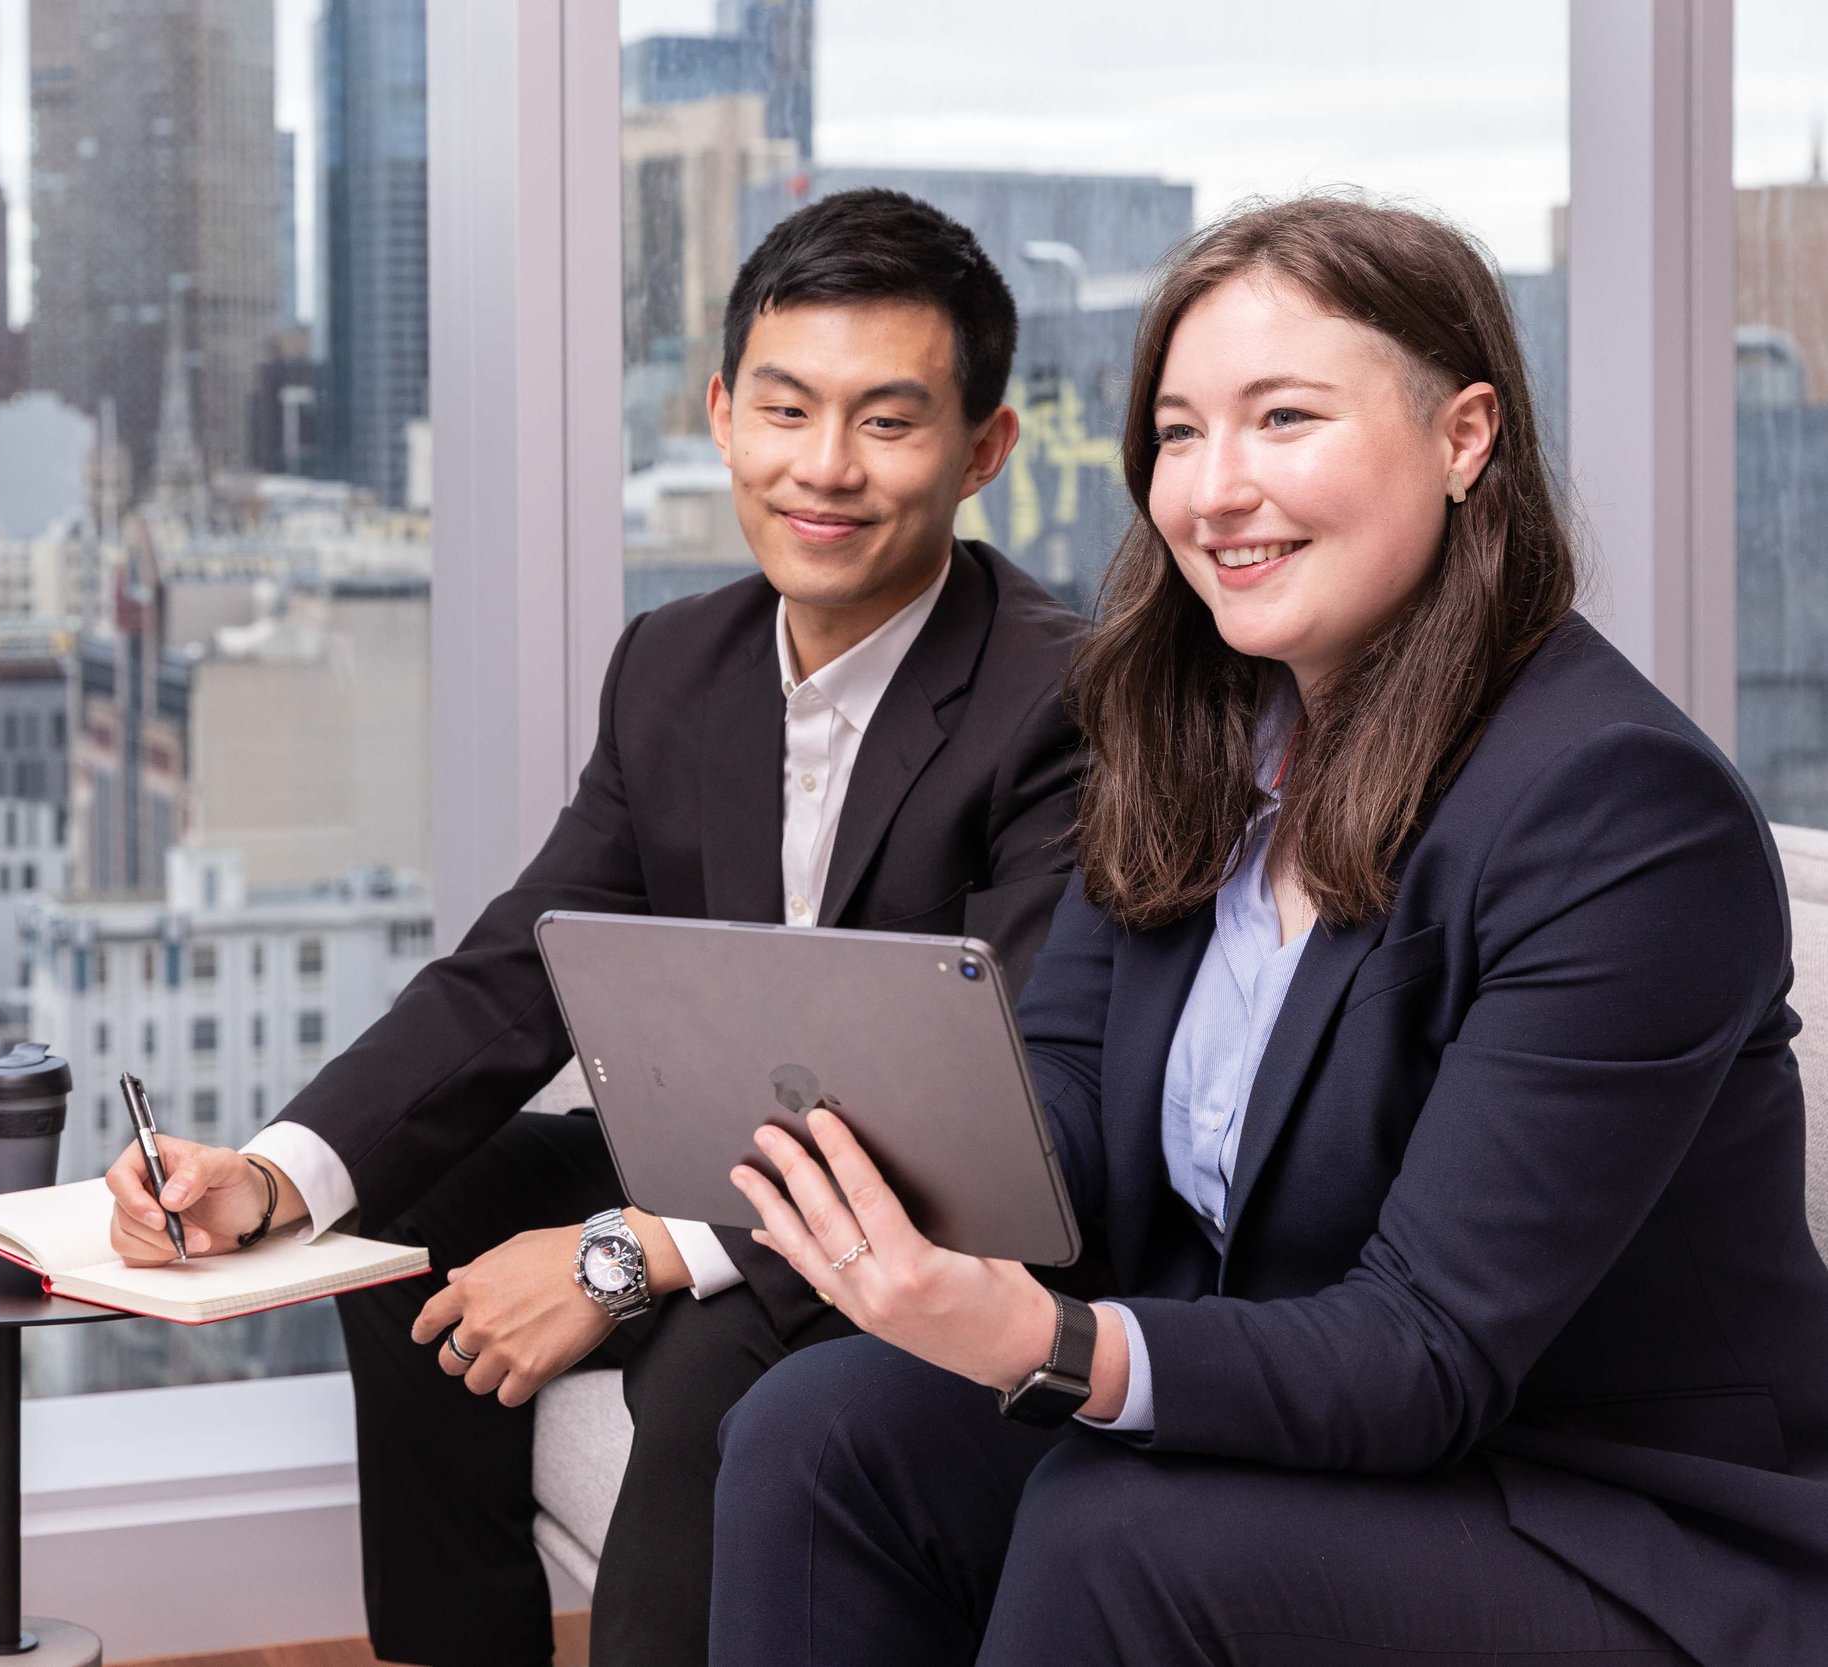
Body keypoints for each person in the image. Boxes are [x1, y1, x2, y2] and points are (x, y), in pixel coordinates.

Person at [710, 193, 1828, 1667]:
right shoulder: (1195, 739)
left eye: (1283, 419)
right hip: (1307, 1424)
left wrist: (1045, 1342)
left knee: (1118, 1536)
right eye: (1178, 434)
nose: (1213, 490)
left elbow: (1428, 1353)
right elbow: (1076, 1116)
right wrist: (893, 1130)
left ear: (1464, 436)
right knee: (820, 1428)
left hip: (1595, 1509)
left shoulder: (1621, 814)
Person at [100, 189, 1089, 1667]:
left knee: (705, 1380)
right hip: (729, 1161)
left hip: (925, 1213)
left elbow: (994, 1101)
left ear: (983, 451)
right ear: (720, 415)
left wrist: (630, 1253)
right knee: (406, 1215)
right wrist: (268, 1174)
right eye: (786, 409)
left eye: (888, 423)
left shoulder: (1061, 698)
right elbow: (519, 970)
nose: (824, 468)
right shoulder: (675, 664)